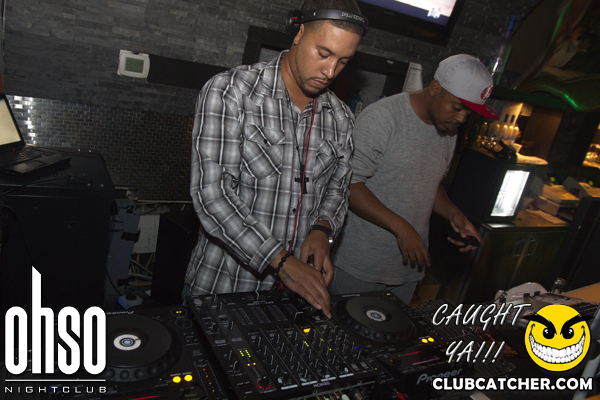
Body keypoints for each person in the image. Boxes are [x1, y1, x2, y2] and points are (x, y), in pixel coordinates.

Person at [184, 0, 368, 318]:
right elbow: (212, 196)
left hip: (293, 300)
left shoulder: (341, 118)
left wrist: (323, 229)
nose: (329, 72)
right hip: (223, 289)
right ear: (299, 33)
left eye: (343, 61)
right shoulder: (230, 92)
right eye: (323, 53)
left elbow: (338, 189)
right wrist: (282, 261)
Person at [330, 54, 498, 304]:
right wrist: (402, 228)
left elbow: (429, 183)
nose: (461, 119)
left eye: (469, 112)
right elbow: (349, 185)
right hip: (360, 265)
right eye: (458, 107)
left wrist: (454, 215)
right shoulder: (383, 118)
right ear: (435, 88)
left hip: (408, 267)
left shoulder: (448, 131)